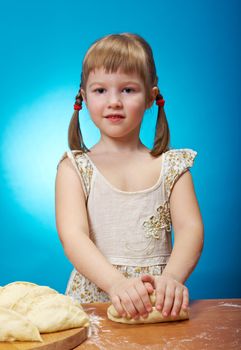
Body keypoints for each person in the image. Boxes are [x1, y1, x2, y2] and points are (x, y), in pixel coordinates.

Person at [55, 32, 204, 321]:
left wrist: (172, 278)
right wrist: (116, 284)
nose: (114, 101)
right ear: (84, 98)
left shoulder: (172, 166)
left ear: (151, 97)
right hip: (95, 301)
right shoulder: (74, 168)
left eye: (127, 90)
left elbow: (190, 230)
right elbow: (73, 235)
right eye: (100, 91)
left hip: (156, 299)